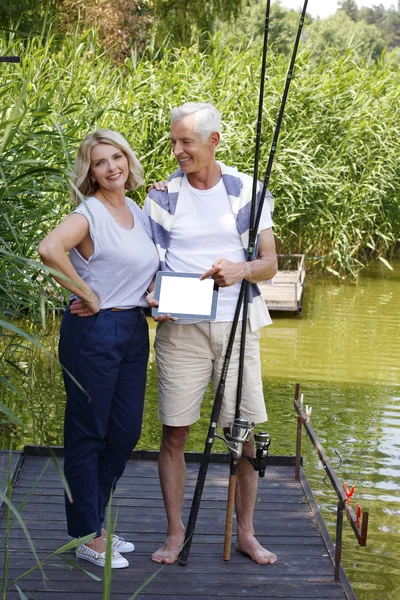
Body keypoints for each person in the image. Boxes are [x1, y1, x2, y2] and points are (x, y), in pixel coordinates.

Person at [144, 102, 278, 565]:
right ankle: (175, 533)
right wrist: (152, 296)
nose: (177, 150)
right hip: (180, 330)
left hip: (237, 324)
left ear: (214, 141)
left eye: (187, 142)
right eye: (174, 141)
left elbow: (269, 263)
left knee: (243, 434)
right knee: (175, 433)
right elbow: (147, 265)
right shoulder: (161, 196)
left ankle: (246, 533)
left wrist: (240, 269)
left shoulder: (249, 191)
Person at [38, 129, 159, 569]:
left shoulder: (139, 211)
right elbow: (50, 249)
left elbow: (147, 264)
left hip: (131, 327)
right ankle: (87, 534)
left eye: (117, 157)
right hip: (94, 330)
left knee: (124, 432)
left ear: (128, 159)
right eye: (100, 162)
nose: (112, 167)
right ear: (89, 172)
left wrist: (151, 294)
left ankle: (97, 522)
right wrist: (87, 294)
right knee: (88, 434)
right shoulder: (89, 212)